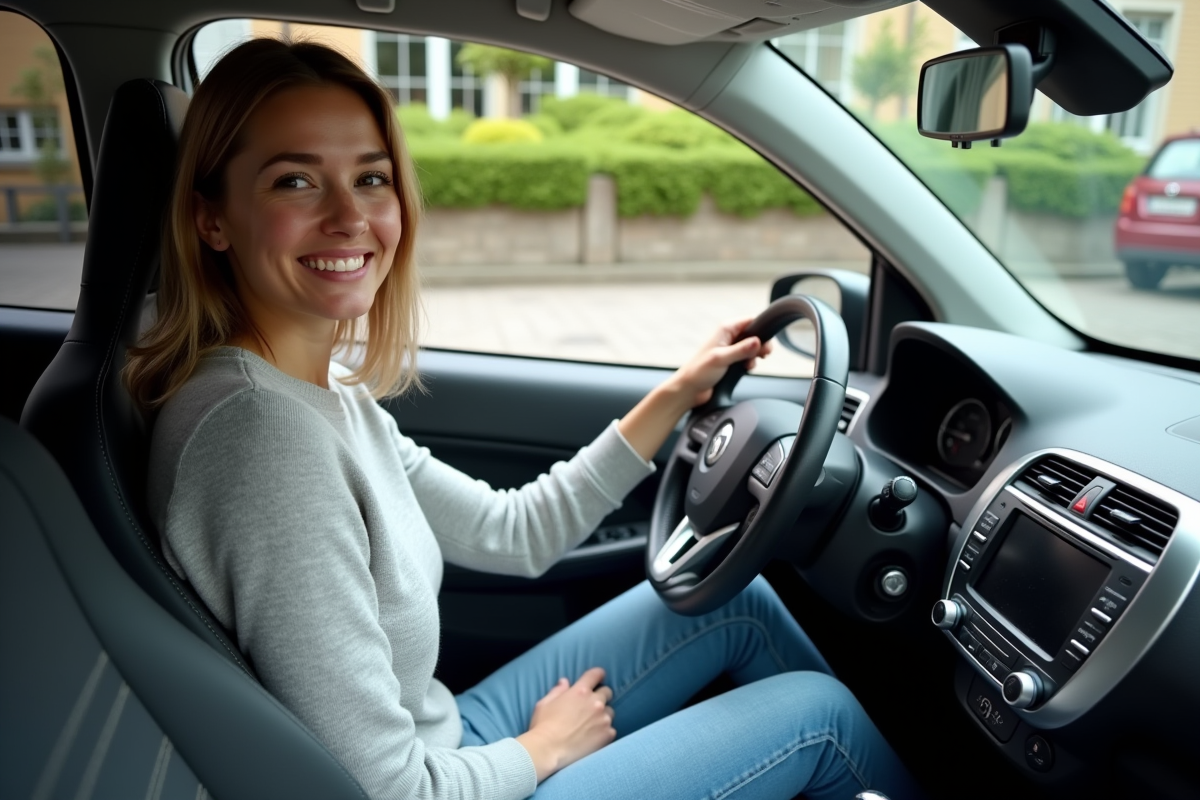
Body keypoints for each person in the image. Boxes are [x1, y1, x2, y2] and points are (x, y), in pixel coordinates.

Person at [126, 37, 920, 800]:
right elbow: (382, 790)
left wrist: (678, 393)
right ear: (212, 219)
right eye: (294, 182)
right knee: (821, 721)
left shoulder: (322, 390)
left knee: (739, 604)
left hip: (448, 740)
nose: (349, 216)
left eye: (371, 178)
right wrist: (540, 751)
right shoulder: (264, 439)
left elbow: (513, 532)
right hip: (437, 781)